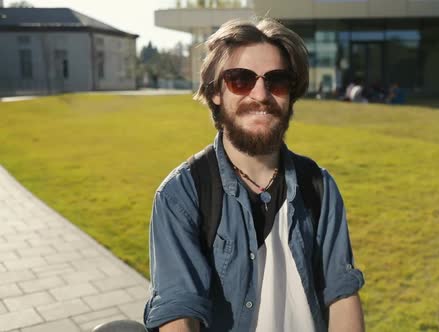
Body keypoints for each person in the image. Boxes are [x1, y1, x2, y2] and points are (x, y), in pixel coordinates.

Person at [143, 17, 365, 332]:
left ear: (291, 93)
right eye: (240, 80)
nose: (260, 95)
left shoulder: (320, 186)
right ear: (216, 92)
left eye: (276, 81)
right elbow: (179, 310)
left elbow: (342, 293)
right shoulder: (182, 195)